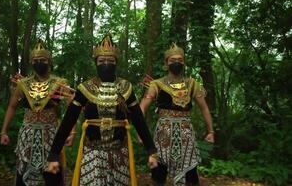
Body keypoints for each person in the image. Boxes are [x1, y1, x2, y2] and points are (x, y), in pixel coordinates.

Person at [46, 34, 158, 186]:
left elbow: (138, 119)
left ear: (116, 63)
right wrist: (54, 154)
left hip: (119, 153)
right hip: (92, 152)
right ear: (96, 63)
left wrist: (151, 150)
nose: (106, 64)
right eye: (101, 61)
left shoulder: (126, 87)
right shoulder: (85, 88)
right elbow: (69, 120)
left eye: (110, 61)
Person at [0, 41, 74, 186]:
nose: (39, 63)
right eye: (35, 61)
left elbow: (71, 109)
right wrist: (3, 132)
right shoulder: (23, 84)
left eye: (43, 60)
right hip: (27, 135)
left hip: (50, 135)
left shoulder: (60, 83)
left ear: (49, 61)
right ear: (31, 62)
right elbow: (12, 106)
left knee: (52, 175)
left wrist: (72, 132)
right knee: (24, 173)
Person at [139, 43, 214, 186]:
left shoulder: (192, 84)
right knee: (159, 173)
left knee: (190, 174)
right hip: (163, 133)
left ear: (184, 62)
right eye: (173, 60)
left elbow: (204, 108)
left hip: (186, 133)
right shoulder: (157, 84)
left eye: (180, 60)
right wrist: (141, 132)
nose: (176, 63)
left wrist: (211, 131)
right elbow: (142, 107)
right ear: (166, 63)